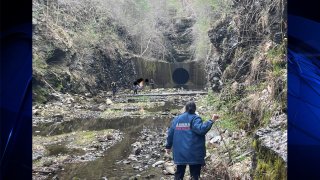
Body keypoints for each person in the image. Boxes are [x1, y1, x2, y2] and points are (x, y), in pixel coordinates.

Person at [165, 101, 220, 180]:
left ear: (185, 108)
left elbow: (170, 134)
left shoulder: (177, 119)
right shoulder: (195, 118)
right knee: (194, 175)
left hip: (180, 152)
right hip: (194, 152)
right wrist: (211, 120)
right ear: (195, 109)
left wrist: (168, 146)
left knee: (179, 173)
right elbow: (201, 130)